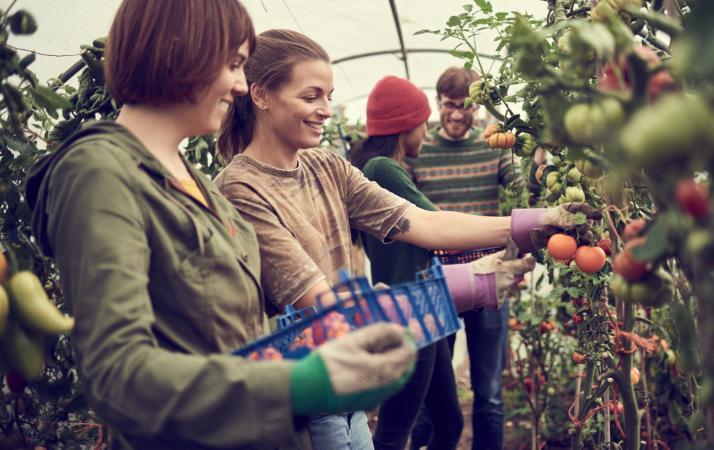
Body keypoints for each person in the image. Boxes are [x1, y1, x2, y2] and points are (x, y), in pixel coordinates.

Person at [23, 2, 418, 449]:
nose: (239, 84)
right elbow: (118, 375)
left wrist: (348, 325)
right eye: (232, 65)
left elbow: (225, 326)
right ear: (180, 55)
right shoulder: (101, 174)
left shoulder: (199, 186)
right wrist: (299, 383)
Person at [216, 30, 599, 450]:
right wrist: (466, 286)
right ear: (261, 95)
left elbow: (424, 222)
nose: (326, 110)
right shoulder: (241, 190)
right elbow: (320, 302)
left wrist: (536, 224)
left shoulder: (325, 166)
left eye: (329, 96)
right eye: (311, 97)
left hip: (348, 375)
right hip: (303, 390)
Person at [407, 67, 520, 450]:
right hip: (438, 282)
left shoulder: (494, 147)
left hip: (488, 279)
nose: (457, 115)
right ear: (438, 103)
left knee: (488, 391)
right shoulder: (419, 150)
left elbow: (524, 192)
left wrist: (539, 150)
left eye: (466, 108)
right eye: (450, 105)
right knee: (430, 390)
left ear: (478, 108)